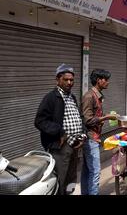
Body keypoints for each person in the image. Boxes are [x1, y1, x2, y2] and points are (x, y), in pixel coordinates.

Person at [35, 63, 86, 195]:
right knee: (60, 180)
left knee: (71, 179)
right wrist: (60, 132)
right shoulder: (51, 98)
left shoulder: (72, 97)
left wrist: (82, 135)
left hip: (75, 146)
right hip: (61, 147)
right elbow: (40, 121)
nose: (69, 82)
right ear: (58, 80)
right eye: (66, 79)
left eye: (71, 80)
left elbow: (78, 118)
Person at [80, 69, 117, 195]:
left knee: (87, 170)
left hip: (93, 137)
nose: (108, 82)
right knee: (95, 172)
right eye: (105, 80)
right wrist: (106, 118)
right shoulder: (89, 96)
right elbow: (88, 120)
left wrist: (103, 118)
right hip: (90, 138)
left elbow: (94, 117)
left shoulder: (97, 95)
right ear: (98, 80)